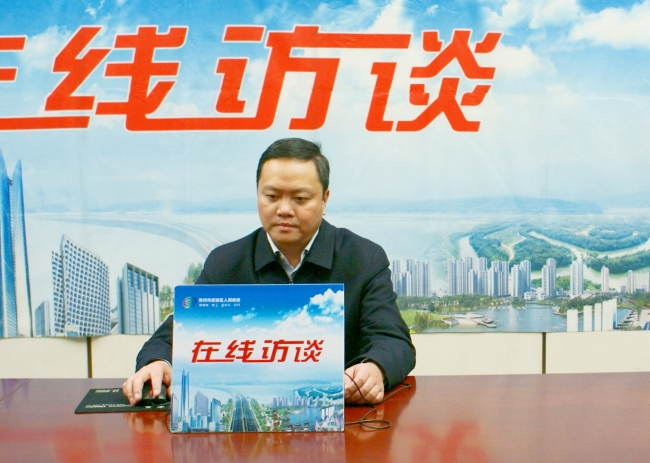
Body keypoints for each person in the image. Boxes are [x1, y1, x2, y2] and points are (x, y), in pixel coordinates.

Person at [122, 138, 415, 406]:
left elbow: (394, 341)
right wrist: (159, 362)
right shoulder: (226, 262)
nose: (284, 209)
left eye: (300, 199)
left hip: (340, 420)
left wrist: (375, 368)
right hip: (246, 422)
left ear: (324, 200)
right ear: (258, 195)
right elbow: (173, 336)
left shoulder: (363, 258)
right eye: (272, 196)